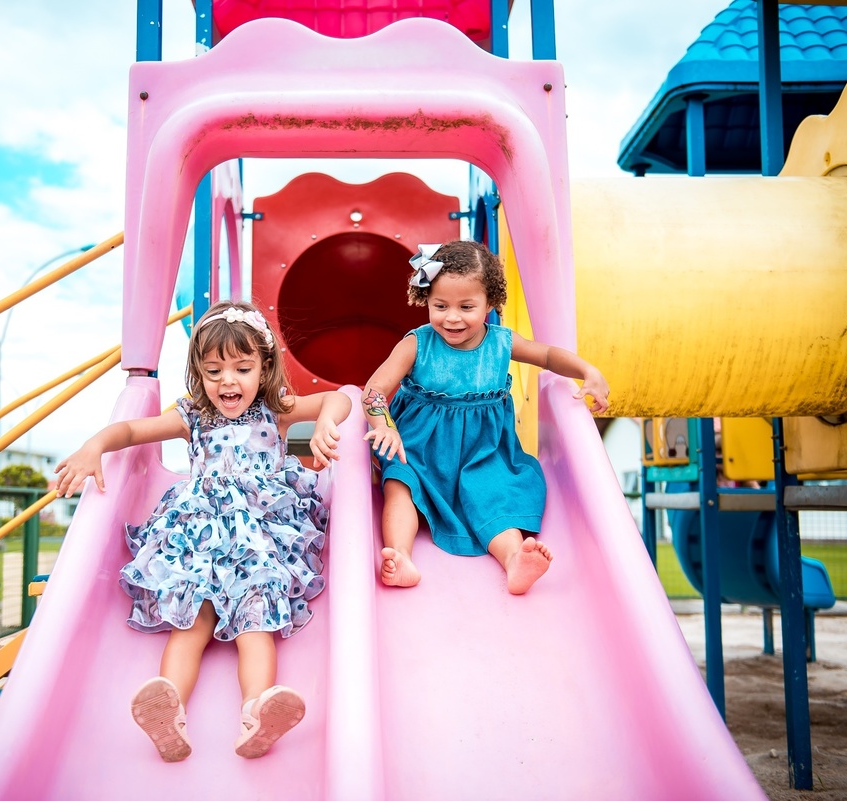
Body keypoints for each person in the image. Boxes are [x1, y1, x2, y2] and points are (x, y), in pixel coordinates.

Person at [55, 300, 351, 762]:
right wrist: (94, 445)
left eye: (242, 367)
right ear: (198, 371)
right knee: (191, 620)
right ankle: (167, 706)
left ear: (265, 366)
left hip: (258, 543)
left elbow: (340, 397)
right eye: (213, 371)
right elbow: (132, 429)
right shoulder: (192, 417)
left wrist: (328, 421)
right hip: (202, 542)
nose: (227, 381)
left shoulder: (276, 410)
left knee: (257, 620)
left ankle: (258, 709)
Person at [362, 240, 610, 594]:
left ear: (490, 303)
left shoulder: (502, 344)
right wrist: (385, 427)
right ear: (426, 301)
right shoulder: (417, 344)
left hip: (484, 452)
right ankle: (400, 556)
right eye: (440, 305)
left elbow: (548, 355)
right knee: (399, 485)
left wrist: (588, 370)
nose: (452, 317)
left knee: (496, 495)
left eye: (466, 306)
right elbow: (374, 389)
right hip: (417, 448)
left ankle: (514, 561)